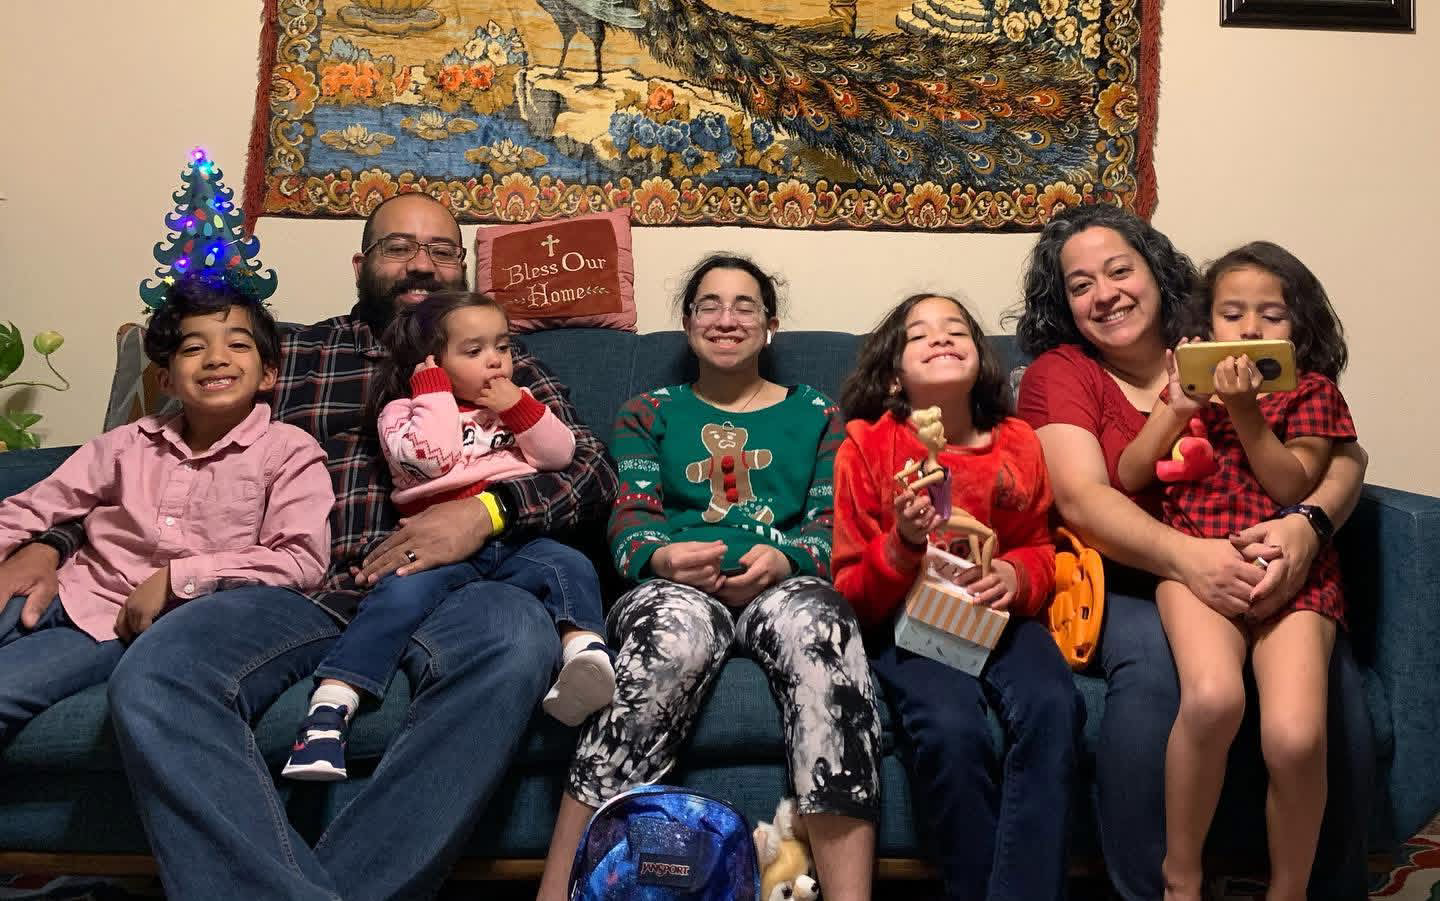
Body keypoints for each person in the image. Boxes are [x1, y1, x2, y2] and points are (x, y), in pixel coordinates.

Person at [2, 192, 618, 901]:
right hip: (299, 588)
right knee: (158, 673)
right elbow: (160, 464)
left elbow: (591, 468)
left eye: (441, 250)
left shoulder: (497, 358)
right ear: (360, 265)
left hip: (464, 586)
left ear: (461, 266)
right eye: (398, 247)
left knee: (514, 642)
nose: (421, 264)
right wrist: (51, 540)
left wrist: (486, 512)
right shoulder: (288, 353)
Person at [1007, 204, 1374, 900]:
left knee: (1324, 710)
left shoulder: (1222, 350)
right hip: (1139, 575)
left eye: (1120, 270)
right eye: (1080, 285)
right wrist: (1191, 558)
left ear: (1156, 273)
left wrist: (1309, 525)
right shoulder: (1067, 373)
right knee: (1169, 680)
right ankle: (1163, 884)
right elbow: (1088, 498)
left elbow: (1343, 458)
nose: (1105, 294)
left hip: (1275, 563)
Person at [536, 254, 883, 901]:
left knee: (822, 626)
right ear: (688, 323)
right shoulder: (648, 411)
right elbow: (630, 520)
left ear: (771, 325)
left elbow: (831, 524)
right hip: (676, 587)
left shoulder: (816, 412)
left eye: (745, 305)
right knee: (671, 640)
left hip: (783, 584)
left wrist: (787, 559)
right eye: (710, 305)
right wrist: (664, 559)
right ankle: (558, 891)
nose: (727, 319)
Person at [284, 290, 613, 780]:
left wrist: (520, 408)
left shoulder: (515, 403)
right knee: (394, 600)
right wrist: (433, 393)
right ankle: (329, 712)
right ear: (432, 362)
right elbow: (433, 459)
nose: (496, 360)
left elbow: (560, 456)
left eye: (502, 346)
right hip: (436, 549)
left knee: (569, 565)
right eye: (474, 351)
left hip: (512, 540)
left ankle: (584, 657)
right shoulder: (402, 412)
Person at [1115, 242, 1356, 901]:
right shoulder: (1187, 393)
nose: (1250, 328)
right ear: (1206, 324)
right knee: (1213, 699)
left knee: (1295, 737)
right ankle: (1181, 875)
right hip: (1198, 568)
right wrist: (1176, 407)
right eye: (1232, 313)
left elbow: (1292, 484)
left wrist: (1246, 410)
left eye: (1271, 315)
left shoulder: (1313, 393)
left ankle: (1289, 889)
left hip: (1294, 581)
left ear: (1299, 327)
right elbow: (1131, 473)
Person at [0, 274, 330, 742]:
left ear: (268, 374)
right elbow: (32, 507)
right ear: (166, 379)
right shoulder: (126, 444)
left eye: (238, 345)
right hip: (64, 587)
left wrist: (179, 577)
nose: (216, 358)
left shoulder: (289, 451)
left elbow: (300, 560)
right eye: (193, 348)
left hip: (115, 628)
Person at [832, 293, 1082, 901]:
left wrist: (1017, 577)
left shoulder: (1018, 442)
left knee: (1054, 706)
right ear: (894, 375)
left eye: (956, 330)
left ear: (981, 358)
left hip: (1001, 619)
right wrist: (902, 543)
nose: (941, 338)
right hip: (911, 624)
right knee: (949, 728)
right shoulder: (866, 446)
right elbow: (852, 593)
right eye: (919, 335)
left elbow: (1039, 547)